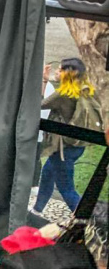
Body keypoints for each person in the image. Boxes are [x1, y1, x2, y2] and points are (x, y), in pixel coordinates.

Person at [33, 58, 99, 215]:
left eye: (60, 70)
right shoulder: (85, 90)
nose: (57, 71)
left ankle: (86, 221)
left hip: (62, 149)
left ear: (68, 74)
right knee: (48, 174)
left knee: (66, 188)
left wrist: (44, 79)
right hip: (77, 146)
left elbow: (37, 104)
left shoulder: (63, 94)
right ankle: (37, 210)